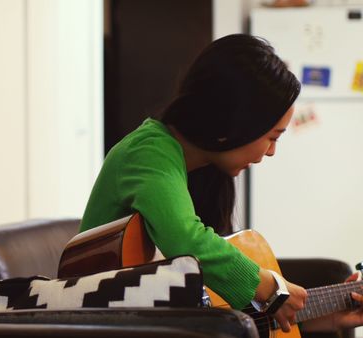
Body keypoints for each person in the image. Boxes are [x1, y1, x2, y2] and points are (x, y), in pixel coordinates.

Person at [80, 34, 363, 333]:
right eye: (272, 137)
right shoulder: (148, 151)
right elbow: (185, 240)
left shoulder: (202, 169)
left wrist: (323, 317)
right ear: (233, 123)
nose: (271, 152)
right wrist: (270, 286)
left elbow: (210, 313)